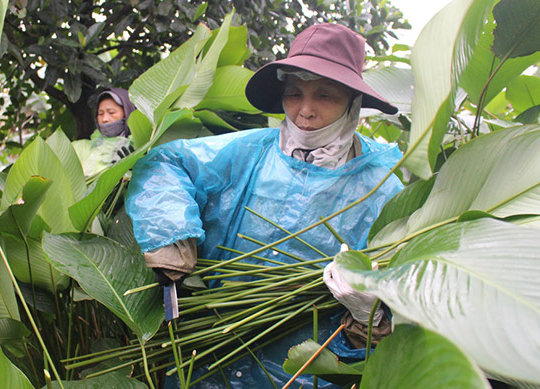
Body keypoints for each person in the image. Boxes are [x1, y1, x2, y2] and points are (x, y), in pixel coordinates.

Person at [125, 23, 403, 387]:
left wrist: (370, 317)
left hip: (295, 375)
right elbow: (164, 163)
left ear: (353, 102)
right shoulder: (247, 152)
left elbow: (391, 336)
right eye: (294, 93)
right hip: (206, 362)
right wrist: (172, 232)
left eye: (325, 95)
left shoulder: (382, 191)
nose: (305, 110)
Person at [72, 88, 137, 177]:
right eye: (100, 113)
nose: (105, 119)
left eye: (111, 112)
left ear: (126, 113)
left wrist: (135, 169)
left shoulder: (142, 145)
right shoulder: (79, 148)